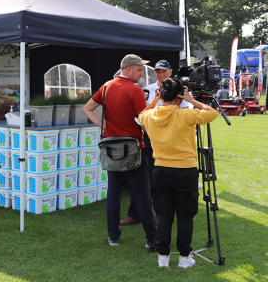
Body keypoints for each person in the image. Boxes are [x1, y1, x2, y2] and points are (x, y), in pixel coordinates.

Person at [138, 78, 218, 268]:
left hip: (161, 170)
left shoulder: (150, 116)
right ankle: (184, 258)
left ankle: (163, 257)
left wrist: (155, 100)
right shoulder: (185, 115)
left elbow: (141, 115)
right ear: (179, 96)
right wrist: (192, 100)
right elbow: (212, 113)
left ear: (161, 94)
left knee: (164, 215)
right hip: (185, 170)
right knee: (185, 216)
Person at [83, 54, 156, 248]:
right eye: (139, 70)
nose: (142, 73)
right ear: (128, 69)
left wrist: (103, 126)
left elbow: (88, 108)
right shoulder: (135, 90)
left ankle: (113, 237)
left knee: (113, 193)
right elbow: (144, 120)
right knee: (142, 194)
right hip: (134, 150)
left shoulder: (106, 87)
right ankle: (151, 239)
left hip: (111, 148)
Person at [120, 60, 189, 226]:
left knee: (158, 178)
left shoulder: (179, 90)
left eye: (163, 71)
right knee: (142, 177)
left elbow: (186, 115)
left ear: (170, 72)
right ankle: (135, 213)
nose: (160, 74)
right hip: (148, 138)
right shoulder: (147, 90)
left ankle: (160, 214)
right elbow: (140, 115)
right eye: (157, 71)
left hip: (170, 140)